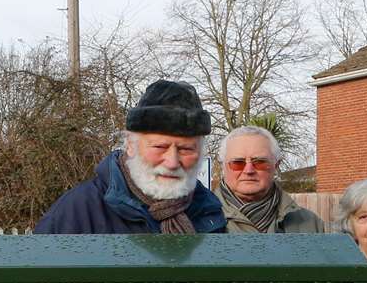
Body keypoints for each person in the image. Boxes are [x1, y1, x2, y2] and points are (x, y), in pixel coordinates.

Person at [34, 80, 227, 235]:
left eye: (186, 149)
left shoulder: (209, 209)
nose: (172, 162)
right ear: (130, 145)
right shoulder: (78, 211)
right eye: (159, 147)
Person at [216, 125, 323, 234]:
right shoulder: (200, 221)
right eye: (238, 163)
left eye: (260, 162)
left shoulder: (310, 224)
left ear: (276, 166)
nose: (248, 170)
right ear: (222, 166)